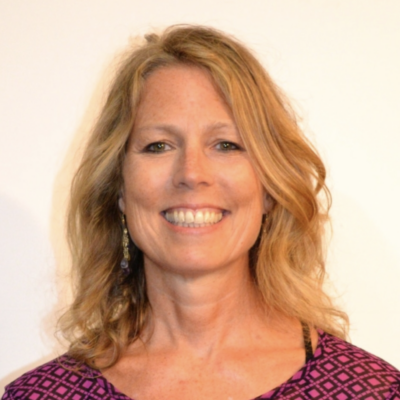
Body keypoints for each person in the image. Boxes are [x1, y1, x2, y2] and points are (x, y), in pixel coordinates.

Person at [3, 25, 400, 400]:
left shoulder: (371, 391)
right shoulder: (41, 395)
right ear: (119, 189)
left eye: (226, 144)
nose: (192, 174)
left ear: (269, 189)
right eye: (158, 146)